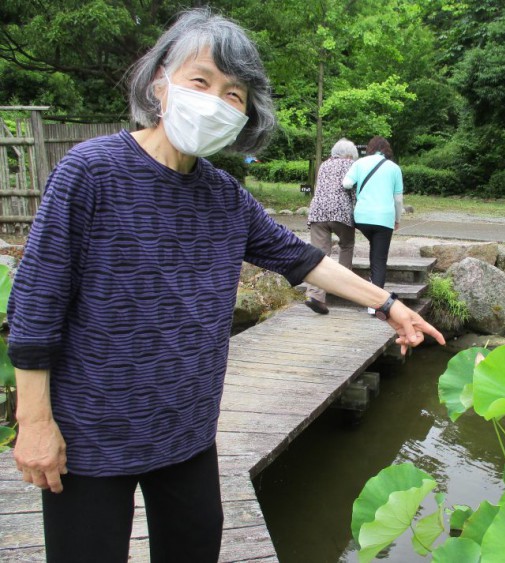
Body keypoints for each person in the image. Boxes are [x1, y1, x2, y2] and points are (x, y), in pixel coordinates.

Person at [6, 9, 444, 563]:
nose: (216, 100)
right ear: (159, 81)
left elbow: (301, 257)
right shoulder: (90, 172)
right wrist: (35, 422)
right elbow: (35, 308)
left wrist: (388, 304)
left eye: (234, 94)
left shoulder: (222, 195)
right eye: (201, 81)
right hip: (91, 433)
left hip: (187, 429)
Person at [343, 136, 404, 315]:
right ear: (387, 150)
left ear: (369, 148)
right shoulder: (394, 168)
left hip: (362, 217)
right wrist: (397, 219)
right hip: (384, 219)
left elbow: (346, 183)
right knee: (379, 259)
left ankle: (371, 288)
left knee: (374, 248)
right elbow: (398, 199)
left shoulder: (360, 163)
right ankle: (375, 304)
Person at [304, 138, 359, 314]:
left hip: (318, 211)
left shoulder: (324, 165)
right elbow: (353, 192)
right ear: (350, 155)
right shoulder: (351, 166)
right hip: (340, 212)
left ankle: (315, 294)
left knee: (319, 254)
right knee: (346, 245)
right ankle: (343, 287)